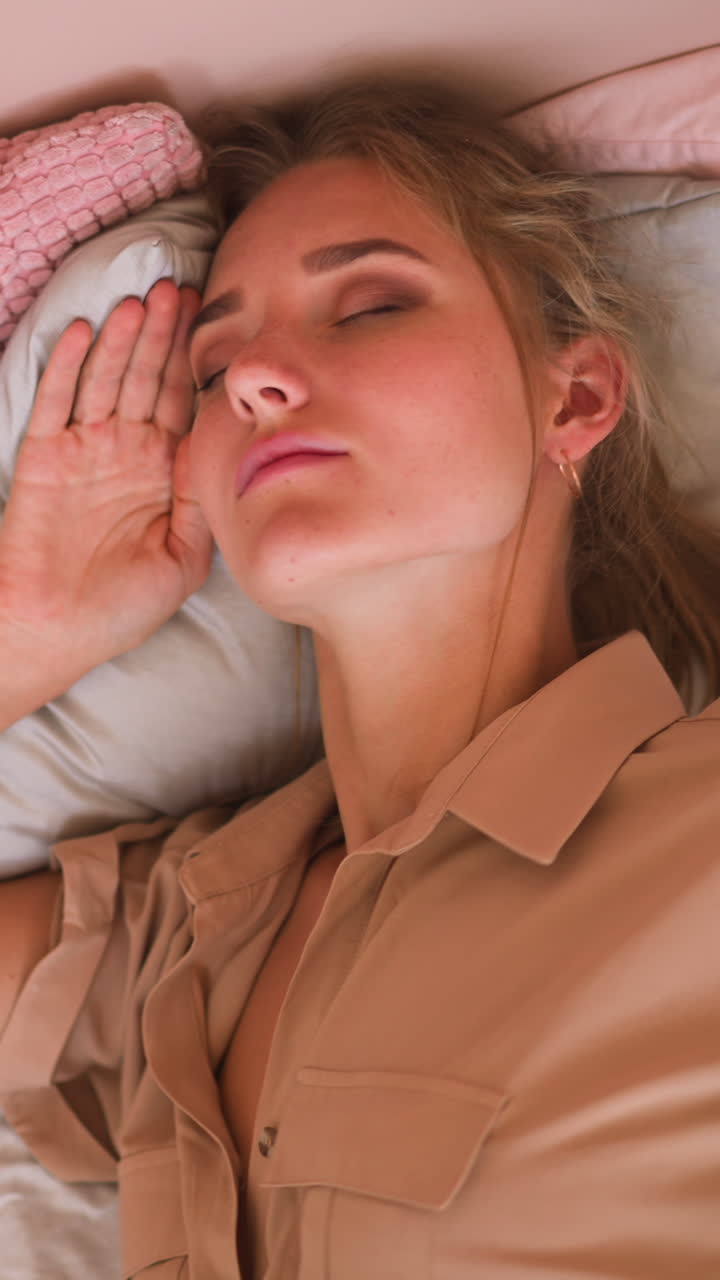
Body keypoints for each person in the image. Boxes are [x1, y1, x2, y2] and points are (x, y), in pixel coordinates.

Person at [0, 72, 719, 1280]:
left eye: (372, 305)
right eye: (217, 362)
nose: (259, 378)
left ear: (577, 396)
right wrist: (23, 638)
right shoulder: (177, 931)